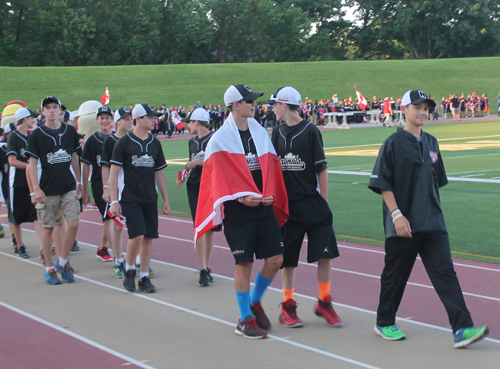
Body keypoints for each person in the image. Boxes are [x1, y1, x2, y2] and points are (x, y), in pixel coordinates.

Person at [368, 89, 489, 348]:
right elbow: (384, 183)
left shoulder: (432, 142)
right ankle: (385, 322)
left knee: (446, 273)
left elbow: (435, 180)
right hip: (403, 223)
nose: (423, 112)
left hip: (433, 222)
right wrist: (397, 215)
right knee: (395, 276)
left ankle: (462, 329)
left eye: (426, 108)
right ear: (404, 110)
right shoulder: (392, 142)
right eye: (417, 107)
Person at [194, 84, 288, 339]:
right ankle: (244, 319)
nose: (254, 104)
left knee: (276, 259)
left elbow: (270, 167)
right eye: (249, 101)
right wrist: (240, 196)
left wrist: (268, 192)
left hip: (263, 207)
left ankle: (254, 302)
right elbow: (215, 178)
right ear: (236, 105)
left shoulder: (260, 132)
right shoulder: (220, 139)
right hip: (238, 212)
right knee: (244, 263)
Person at [268, 87, 343, 329]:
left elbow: (321, 168)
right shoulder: (276, 134)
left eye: (274, 104)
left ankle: (324, 301)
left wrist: (324, 202)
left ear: (283, 105)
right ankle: (288, 305)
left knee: (325, 253)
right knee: (288, 260)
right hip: (288, 208)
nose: (272, 109)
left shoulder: (310, 131)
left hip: (312, 203)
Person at [108, 104, 170, 293]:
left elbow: (159, 173)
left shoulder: (155, 143)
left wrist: (165, 199)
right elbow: (113, 173)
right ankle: (129, 269)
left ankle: (144, 277)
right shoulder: (124, 143)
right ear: (139, 119)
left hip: (150, 197)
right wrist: (114, 200)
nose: (154, 120)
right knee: (137, 235)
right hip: (130, 197)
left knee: (149, 237)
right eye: (150, 117)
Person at [26, 96, 82, 285]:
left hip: (67, 186)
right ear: (42, 112)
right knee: (48, 228)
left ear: (60, 111)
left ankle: (63, 261)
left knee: (73, 224)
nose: (51, 110)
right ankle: (49, 269)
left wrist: (79, 180)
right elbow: (32, 164)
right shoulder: (37, 135)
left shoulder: (69, 131)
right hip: (47, 189)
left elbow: (74, 156)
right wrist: (35, 189)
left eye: (55, 107)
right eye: (47, 107)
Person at [176, 108, 219, 286]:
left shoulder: (215, 138)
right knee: (200, 227)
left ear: (198, 122)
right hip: (194, 186)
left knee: (210, 228)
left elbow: (218, 161)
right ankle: (202, 268)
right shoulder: (192, 142)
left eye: (190, 122)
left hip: (211, 187)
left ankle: (207, 267)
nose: (188, 125)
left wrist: (196, 162)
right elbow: (191, 164)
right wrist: (183, 176)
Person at [101, 107, 133, 277]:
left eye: (131, 119)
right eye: (126, 119)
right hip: (117, 189)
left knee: (136, 228)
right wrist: (106, 188)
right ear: (118, 121)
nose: (130, 122)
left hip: (133, 188)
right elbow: (105, 166)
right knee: (118, 226)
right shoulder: (110, 141)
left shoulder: (135, 139)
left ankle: (137, 261)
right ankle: (117, 259)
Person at [81, 106, 114, 262]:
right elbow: (86, 165)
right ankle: (118, 256)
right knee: (109, 218)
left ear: (112, 119)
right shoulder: (92, 140)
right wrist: (85, 188)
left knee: (110, 218)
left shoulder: (116, 138)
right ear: (97, 120)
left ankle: (102, 248)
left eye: (107, 117)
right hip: (98, 183)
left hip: (116, 183)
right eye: (101, 118)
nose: (104, 120)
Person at [7, 108, 41, 258]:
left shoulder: (32, 137)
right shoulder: (13, 137)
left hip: (32, 182)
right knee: (17, 216)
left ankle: (43, 246)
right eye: (31, 118)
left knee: (37, 214)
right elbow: (12, 161)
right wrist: (29, 166)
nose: (34, 120)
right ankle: (19, 244)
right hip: (18, 182)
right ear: (24, 119)